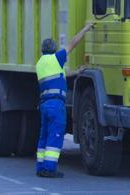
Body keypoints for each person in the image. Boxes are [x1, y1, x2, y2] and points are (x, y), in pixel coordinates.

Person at [35, 22, 94, 178]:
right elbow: (73, 43)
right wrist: (86, 28)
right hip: (56, 104)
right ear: (54, 49)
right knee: (55, 136)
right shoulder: (57, 58)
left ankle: (40, 167)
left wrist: (76, 72)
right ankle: (50, 169)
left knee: (44, 136)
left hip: (45, 104)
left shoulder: (40, 64)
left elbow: (58, 76)